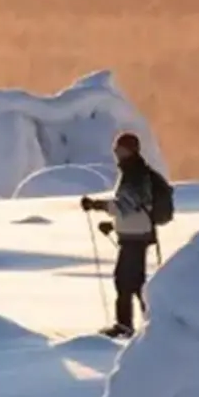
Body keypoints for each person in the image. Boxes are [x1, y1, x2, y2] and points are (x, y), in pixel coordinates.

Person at [81, 132, 156, 339]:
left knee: (125, 280)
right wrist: (114, 225)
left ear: (130, 150)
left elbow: (126, 205)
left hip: (135, 237)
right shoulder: (133, 172)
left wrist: (97, 205)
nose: (116, 153)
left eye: (120, 149)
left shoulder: (135, 174)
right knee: (135, 282)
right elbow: (132, 208)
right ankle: (151, 322)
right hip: (135, 234)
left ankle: (127, 325)